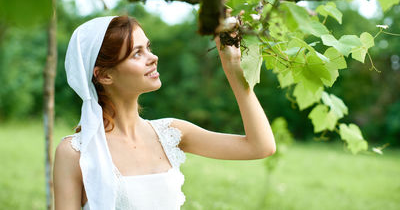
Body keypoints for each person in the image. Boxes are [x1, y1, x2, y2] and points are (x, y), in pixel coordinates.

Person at [53, 15, 276, 210]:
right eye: (136, 54)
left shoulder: (171, 133)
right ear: (104, 75)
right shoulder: (75, 153)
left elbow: (260, 146)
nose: (153, 57)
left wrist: (233, 68)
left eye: (148, 47)